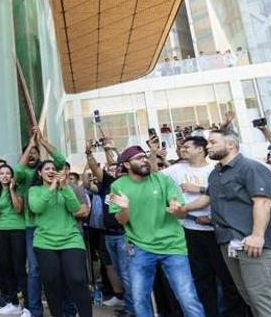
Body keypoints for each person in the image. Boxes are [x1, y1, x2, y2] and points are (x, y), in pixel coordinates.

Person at [190, 131, 271, 316]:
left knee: (262, 298)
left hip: (253, 243)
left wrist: (257, 236)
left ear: (230, 144)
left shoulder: (250, 167)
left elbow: (263, 202)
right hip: (229, 243)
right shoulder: (215, 174)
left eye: (213, 142)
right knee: (248, 297)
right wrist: (182, 209)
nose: (208, 146)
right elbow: (218, 203)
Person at [108, 145, 204, 317]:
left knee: (187, 297)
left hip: (172, 245)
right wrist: (124, 208)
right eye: (138, 158)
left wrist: (178, 209)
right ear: (127, 165)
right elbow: (121, 221)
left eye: (145, 156)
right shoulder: (117, 186)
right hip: (139, 248)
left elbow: (180, 210)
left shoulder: (162, 180)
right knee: (139, 299)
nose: (144, 160)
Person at [162, 136, 246, 317]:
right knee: (202, 279)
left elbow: (215, 196)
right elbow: (155, 176)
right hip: (192, 231)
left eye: (187, 146)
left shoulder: (215, 170)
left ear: (200, 149)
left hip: (219, 232)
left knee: (229, 278)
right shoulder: (177, 169)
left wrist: (193, 200)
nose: (182, 149)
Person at [28, 160, 92, 317]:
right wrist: (51, 188)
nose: (51, 171)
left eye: (53, 169)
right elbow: (36, 207)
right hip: (45, 242)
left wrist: (63, 187)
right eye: (47, 169)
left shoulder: (67, 188)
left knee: (77, 279)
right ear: (40, 173)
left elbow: (75, 208)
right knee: (51, 283)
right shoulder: (34, 190)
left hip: (71, 239)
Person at [15, 127, 66, 317]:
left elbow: (60, 159)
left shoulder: (49, 170)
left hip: (54, 226)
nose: (32, 155)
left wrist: (42, 141)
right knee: (35, 269)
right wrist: (30, 144)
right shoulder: (26, 175)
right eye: (29, 152)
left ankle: (61, 308)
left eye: (36, 153)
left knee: (58, 269)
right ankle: (34, 309)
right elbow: (18, 168)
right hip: (32, 227)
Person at [86, 139, 134, 317]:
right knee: (118, 270)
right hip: (108, 235)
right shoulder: (108, 183)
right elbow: (94, 168)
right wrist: (89, 154)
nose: (113, 170)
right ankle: (128, 304)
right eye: (111, 168)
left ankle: (134, 308)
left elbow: (117, 162)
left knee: (127, 272)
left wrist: (112, 149)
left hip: (124, 235)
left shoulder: (128, 183)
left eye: (116, 168)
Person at [0, 163, 28, 315]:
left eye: (8, 173)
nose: (5, 176)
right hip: (2, 231)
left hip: (18, 230)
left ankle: (27, 305)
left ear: (12, 176)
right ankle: (13, 302)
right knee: (6, 268)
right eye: (2, 174)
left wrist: (11, 190)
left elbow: (18, 209)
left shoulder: (18, 188)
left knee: (19, 268)